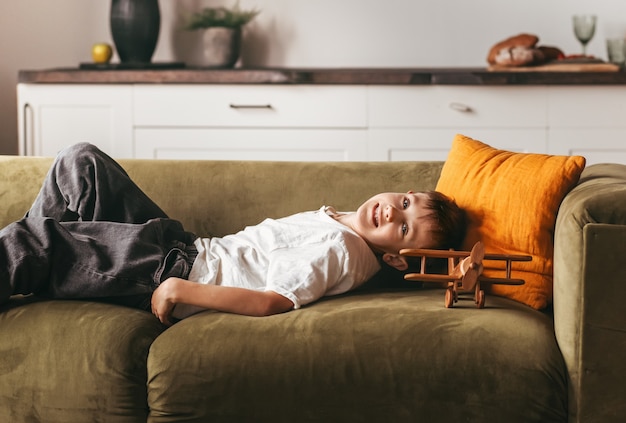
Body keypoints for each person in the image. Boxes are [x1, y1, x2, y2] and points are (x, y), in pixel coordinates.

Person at [0, 143, 466, 325]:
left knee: (36, 243)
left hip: (167, 269)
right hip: (183, 245)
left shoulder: (341, 249)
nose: (390, 213)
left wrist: (180, 289)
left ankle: (27, 258)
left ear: (398, 259)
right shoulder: (345, 222)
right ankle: (28, 266)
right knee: (81, 165)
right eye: (403, 204)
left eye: (402, 228)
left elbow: (273, 300)